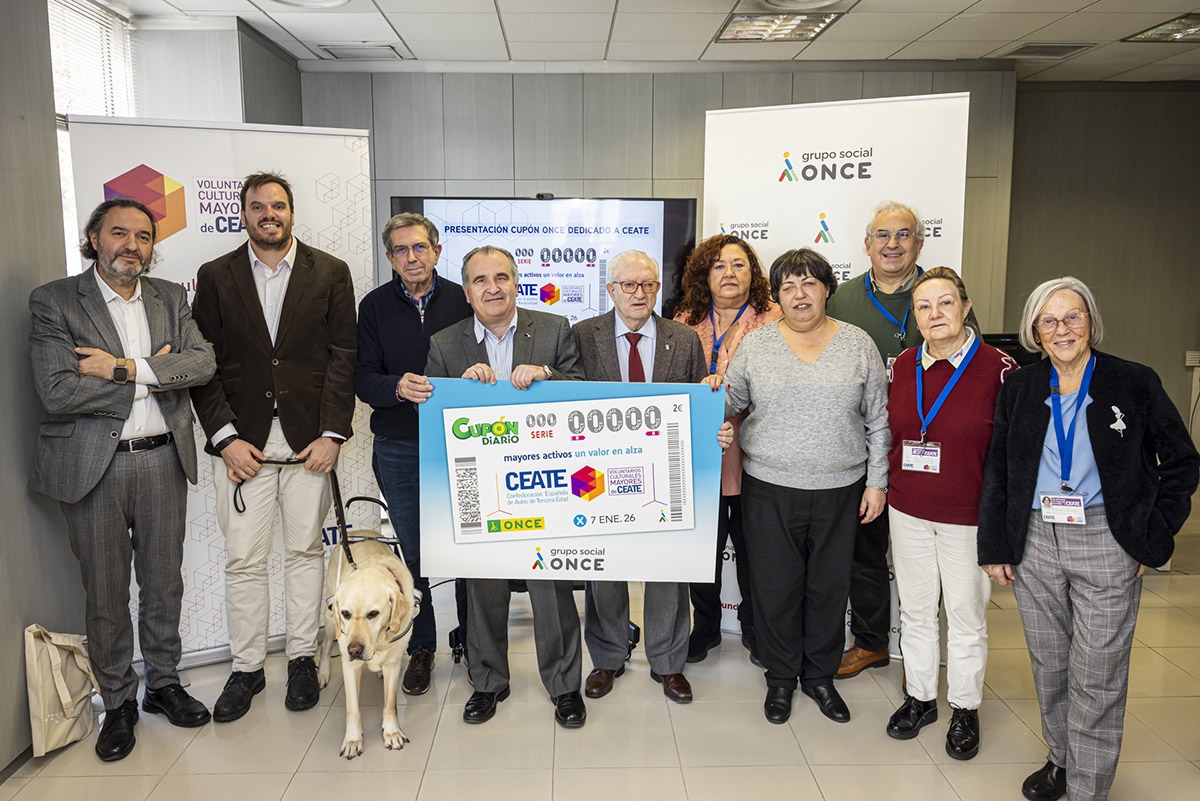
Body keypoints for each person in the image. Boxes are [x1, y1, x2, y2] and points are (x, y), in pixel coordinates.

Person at [979, 277, 1198, 801]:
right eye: (1049, 320)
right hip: (1035, 540)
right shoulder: (1021, 386)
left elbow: (1182, 462)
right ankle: (1061, 759)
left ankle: (1087, 788)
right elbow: (999, 470)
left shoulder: (1133, 381)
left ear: (1091, 322)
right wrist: (996, 546)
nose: (1062, 329)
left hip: (1107, 536)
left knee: (1097, 673)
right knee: (1050, 665)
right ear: (1035, 330)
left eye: (1072, 317)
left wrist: (1153, 535)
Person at [29, 199, 217, 761]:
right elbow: (58, 391)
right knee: (106, 590)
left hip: (162, 459)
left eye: (143, 235)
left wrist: (120, 369)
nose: (131, 245)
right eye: (119, 233)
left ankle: (164, 683)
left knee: (163, 583)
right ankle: (116, 702)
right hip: (95, 465)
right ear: (94, 238)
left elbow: (202, 364)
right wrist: (158, 375)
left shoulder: (170, 297)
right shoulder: (55, 301)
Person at [190, 172, 357, 722]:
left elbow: (344, 356)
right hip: (243, 443)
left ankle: (303, 659)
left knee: (306, 553)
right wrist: (224, 438)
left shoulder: (329, 271)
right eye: (258, 206)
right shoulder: (215, 276)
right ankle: (247, 668)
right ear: (243, 214)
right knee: (244, 560)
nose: (269, 214)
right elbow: (203, 363)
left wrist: (333, 434)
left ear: (291, 212)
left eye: (278, 205)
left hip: (311, 440)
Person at [404, 245, 587, 728]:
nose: (492, 288)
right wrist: (459, 390)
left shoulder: (553, 328)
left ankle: (565, 685)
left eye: (501, 277)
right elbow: (431, 418)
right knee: (483, 586)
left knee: (551, 587)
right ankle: (487, 681)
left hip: (546, 483)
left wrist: (547, 374)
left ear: (516, 282)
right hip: (482, 489)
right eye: (480, 280)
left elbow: (581, 386)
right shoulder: (445, 344)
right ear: (466, 292)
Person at [721, 248, 889, 724]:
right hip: (769, 488)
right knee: (775, 587)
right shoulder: (756, 345)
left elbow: (878, 420)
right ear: (776, 295)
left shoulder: (857, 344)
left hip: (842, 488)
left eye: (809, 283)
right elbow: (729, 402)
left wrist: (877, 483)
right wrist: (713, 398)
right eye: (788, 286)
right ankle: (780, 679)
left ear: (826, 289)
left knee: (828, 588)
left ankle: (819, 677)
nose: (799, 294)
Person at [826, 200, 980, 680]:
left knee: (944, 565)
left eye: (903, 234)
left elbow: (970, 365)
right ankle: (871, 642)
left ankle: (944, 657)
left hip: (934, 448)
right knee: (866, 551)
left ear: (919, 242)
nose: (892, 244)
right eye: (883, 235)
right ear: (866, 244)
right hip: (863, 447)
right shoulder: (841, 299)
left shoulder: (939, 294)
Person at [883, 267, 1018, 759]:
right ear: (914, 316)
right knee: (916, 610)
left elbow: (1013, 453)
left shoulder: (1000, 369)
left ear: (965, 307)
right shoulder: (902, 366)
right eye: (924, 306)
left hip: (969, 516)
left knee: (965, 616)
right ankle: (920, 699)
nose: (935, 313)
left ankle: (964, 707)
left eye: (945, 303)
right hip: (908, 509)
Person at [572, 250, 707, 703]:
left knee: (668, 566)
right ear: (610, 290)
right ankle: (608, 657)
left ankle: (668, 662)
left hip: (664, 472)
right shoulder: (582, 335)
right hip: (598, 473)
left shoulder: (683, 339)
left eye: (648, 284)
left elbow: (698, 404)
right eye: (628, 285)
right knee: (604, 568)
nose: (639, 293)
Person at [354, 212, 471, 696]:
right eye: (401, 250)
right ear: (389, 257)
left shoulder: (465, 299)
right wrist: (397, 387)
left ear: (437, 251)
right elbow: (363, 378)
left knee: (470, 545)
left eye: (420, 247)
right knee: (415, 554)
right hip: (399, 446)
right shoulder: (374, 306)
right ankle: (421, 647)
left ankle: (474, 640)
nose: (412, 257)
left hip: (463, 443)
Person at [672, 234, 781, 665]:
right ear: (705, 274)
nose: (729, 273)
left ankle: (754, 626)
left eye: (739, 264)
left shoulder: (775, 318)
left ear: (753, 273)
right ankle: (706, 627)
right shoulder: (685, 320)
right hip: (699, 454)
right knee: (703, 547)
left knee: (756, 550)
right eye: (719, 265)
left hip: (756, 451)